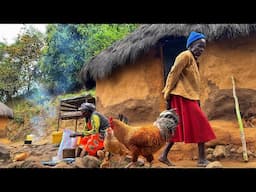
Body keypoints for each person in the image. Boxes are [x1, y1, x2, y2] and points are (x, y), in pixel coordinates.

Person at [159, 31, 216, 167]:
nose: (201, 50)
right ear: (190, 45)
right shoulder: (185, 56)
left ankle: (163, 155)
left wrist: (197, 99)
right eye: (199, 46)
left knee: (177, 127)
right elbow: (173, 74)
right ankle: (201, 159)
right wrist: (167, 94)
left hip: (188, 97)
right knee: (201, 124)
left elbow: (192, 84)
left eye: (203, 48)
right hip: (181, 97)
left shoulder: (193, 60)